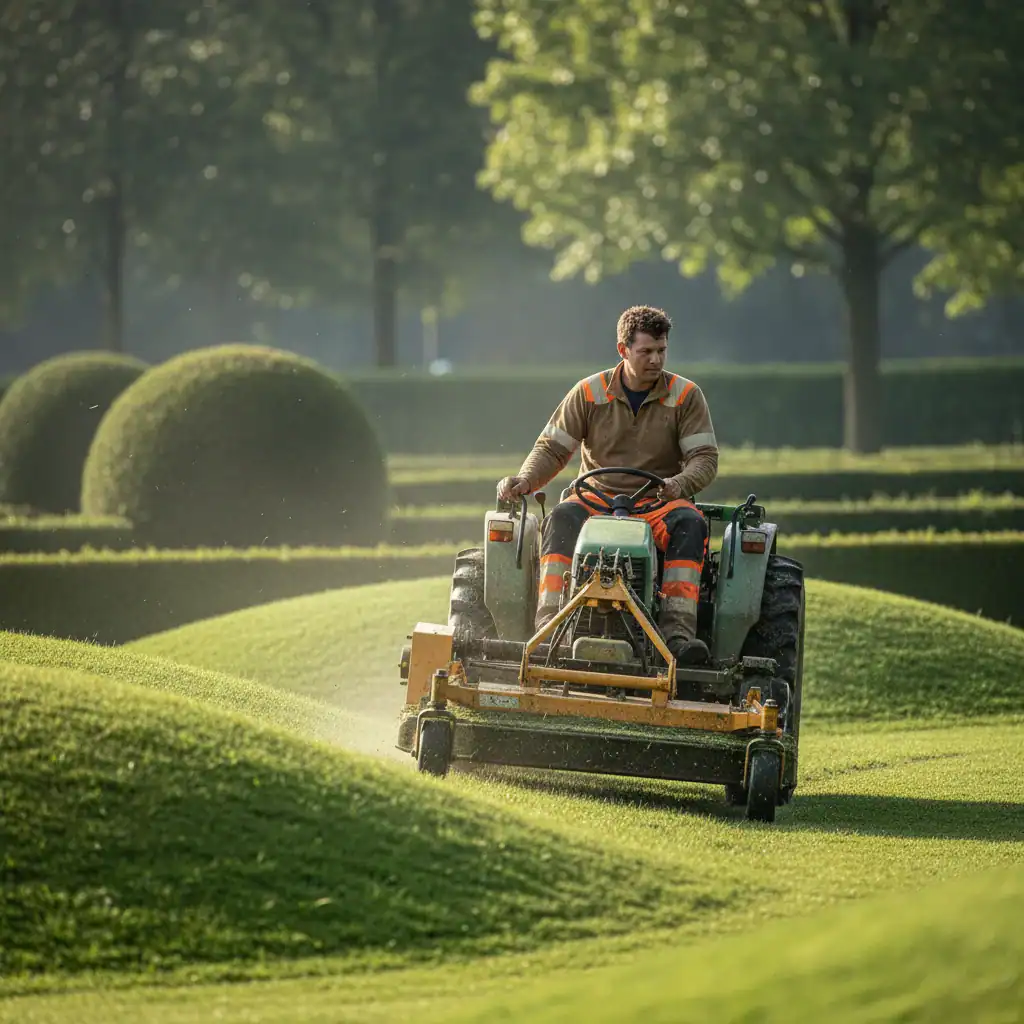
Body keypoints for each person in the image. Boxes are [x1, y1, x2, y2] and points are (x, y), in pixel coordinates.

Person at [497, 305, 718, 665]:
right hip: (594, 500)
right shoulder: (588, 393)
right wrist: (525, 479)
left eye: (661, 351)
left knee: (690, 524)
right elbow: (552, 449)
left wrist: (679, 484)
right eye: (646, 351)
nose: (656, 360)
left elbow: (704, 460)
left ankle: (677, 637)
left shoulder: (686, 396)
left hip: (658, 502)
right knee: (561, 518)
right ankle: (550, 626)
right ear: (623, 350)